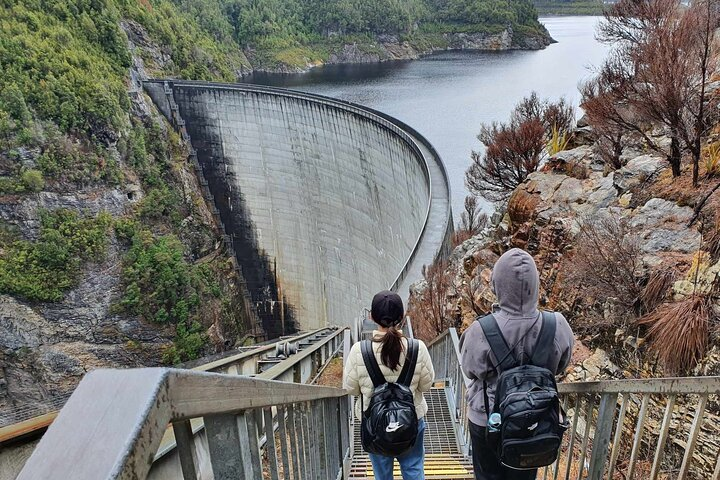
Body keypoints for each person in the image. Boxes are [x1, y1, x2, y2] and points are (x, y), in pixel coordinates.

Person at [460, 248, 574, 480]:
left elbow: (470, 370)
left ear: (497, 285)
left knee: (487, 476)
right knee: (524, 472)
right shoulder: (557, 325)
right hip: (536, 415)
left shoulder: (480, 330)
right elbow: (561, 364)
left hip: (488, 418)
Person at [344, 290, 435, 480]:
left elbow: (350, 388)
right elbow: (426, 386)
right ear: (402, 317)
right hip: (411, 421)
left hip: (375, 424)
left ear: (372, 317)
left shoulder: (359, 351)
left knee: (382, 476)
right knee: (413, 470)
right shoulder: (417, 348)